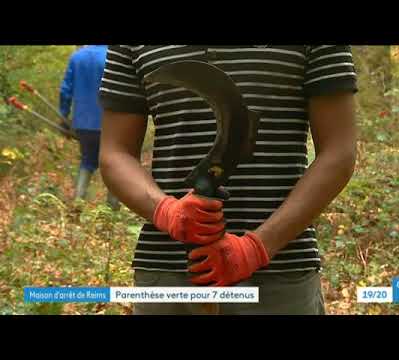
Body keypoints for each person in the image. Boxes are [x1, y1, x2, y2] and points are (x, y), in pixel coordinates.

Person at [99, 45, 358, 315]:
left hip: (280, 278)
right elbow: (115, 153)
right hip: (167, 275)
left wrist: (256, 248)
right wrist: (164, 210)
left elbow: (339, 152)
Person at [59, 44, 119, 210]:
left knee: (87, 162)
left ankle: (77, 205)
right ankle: (112, 211)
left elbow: (65, 90)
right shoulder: (113, 55)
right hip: (110, 123)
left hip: (83, 123)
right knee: (115, 163)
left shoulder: (77, 57)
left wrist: (63, 117)